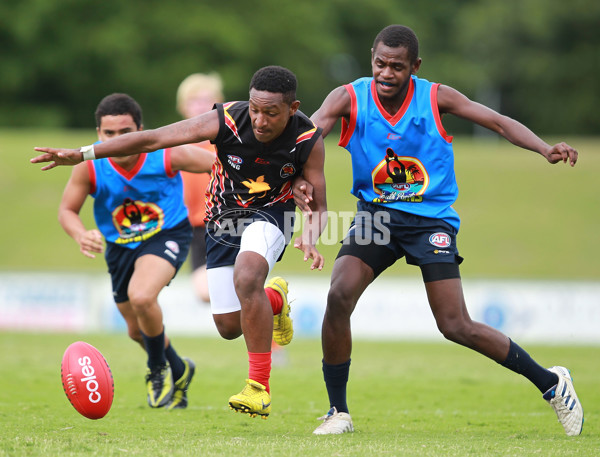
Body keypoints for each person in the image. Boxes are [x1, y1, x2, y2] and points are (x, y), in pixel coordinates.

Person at [302, 25, 583, 436]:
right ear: (372, 60)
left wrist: (545, 148)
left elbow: (498, 122)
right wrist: (294, 174)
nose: (386, 73)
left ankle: (552, 383)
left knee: (455, 325)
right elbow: (309, 134)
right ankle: (337, 412)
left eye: (397, 67)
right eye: (380, 63)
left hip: (430, 221)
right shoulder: (348, 96)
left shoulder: (436, 97)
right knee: (338, 294)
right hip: (377, 218)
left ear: (414, 67)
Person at [32, 66, 328, 419]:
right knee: (228, 326)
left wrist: (310, 236)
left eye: (271, 112)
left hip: (271, 213)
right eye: (255, 109)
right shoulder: (226, 120)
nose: (260, 120)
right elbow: (153, 139)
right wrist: (82, 154)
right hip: (221, 219)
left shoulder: (308, 138)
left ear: (293, 108)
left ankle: (258, 388)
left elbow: (320, 206)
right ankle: (274, 299)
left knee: (247, 276)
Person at [54, 93, 215, 410]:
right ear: (99, 135)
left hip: (167, 233)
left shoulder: (165, 155)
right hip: (119, 246)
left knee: (142, 296)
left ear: (141, 130)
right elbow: (66, 211)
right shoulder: (90, 167)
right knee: (135, 330)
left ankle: (157, 371)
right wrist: (80, 233)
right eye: (109, 134)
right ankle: (179, 369)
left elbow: (221, 166)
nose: (118, 141)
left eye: (126, 133)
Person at [176, 72, 224, 303]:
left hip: (227, 221)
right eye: (194, 100)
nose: (200, 106)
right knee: (206, 293)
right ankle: (271, 302)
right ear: (183, 106)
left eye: (207, 100)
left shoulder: (226, 142)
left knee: (233, 286)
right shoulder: (173, 142)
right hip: (193, 227)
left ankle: (269, 329)